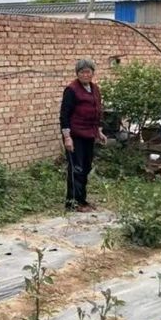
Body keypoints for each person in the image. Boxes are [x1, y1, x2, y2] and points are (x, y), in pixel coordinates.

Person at [59, 58, 106, 212]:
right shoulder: (71, 90)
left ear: (93, 73)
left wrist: (99, 131)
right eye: (82, 72)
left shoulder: (94, 89)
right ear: (77, 74)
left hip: (89, 134)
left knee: (86, 167)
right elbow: (64, 115)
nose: (85, 75)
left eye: (88, 72)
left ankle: (82, 200)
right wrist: (67, 138)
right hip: (75, 135)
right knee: (76, 168)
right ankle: (72, 203)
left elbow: (98, 110)